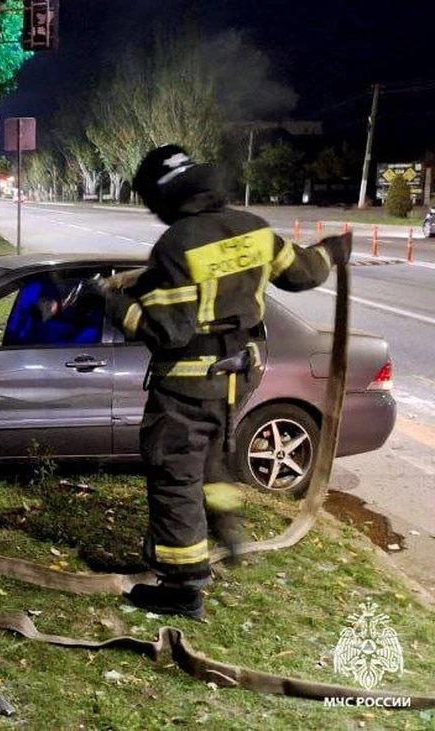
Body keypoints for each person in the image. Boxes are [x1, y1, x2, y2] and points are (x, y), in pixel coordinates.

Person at [103, 144, 351, 619]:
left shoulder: (179, 243)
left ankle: (182, 585)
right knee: (213, 461)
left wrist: (117, 306)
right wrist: (332, 251)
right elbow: (302, 274)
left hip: (186, 384)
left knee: (175, 473)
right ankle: (229, 528)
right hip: (236, 379)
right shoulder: (255, 230)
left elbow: (167, 331)